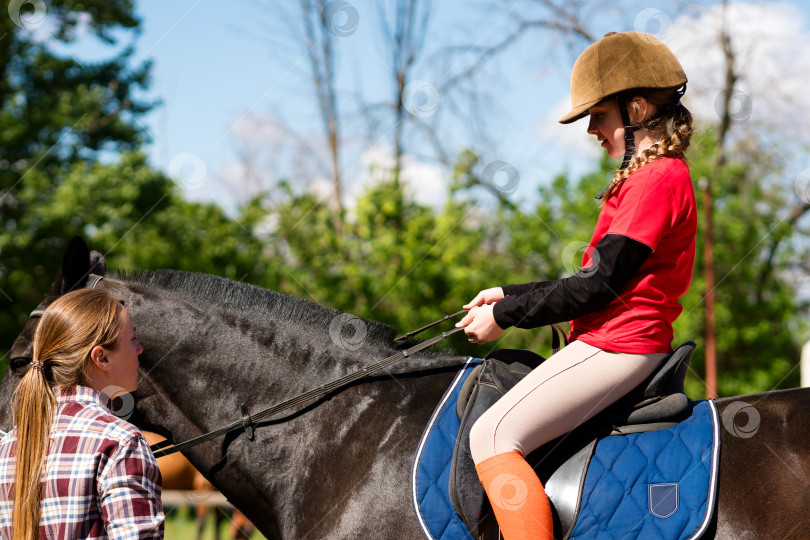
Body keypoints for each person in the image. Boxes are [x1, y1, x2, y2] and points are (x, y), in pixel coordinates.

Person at [456, 31, 696, 540]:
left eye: (599, 116)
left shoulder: (656, 179)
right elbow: (592, 277)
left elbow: (598, 287)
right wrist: (509, 293)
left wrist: (504, 318)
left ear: (635, 110)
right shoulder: (650, 176)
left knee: (492, 436)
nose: (591, 130)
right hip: (615, 340)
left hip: (619, 343)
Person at [0, 288, 164, 539]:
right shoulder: (121, 443)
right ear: (101, 358)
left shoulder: (8, 447)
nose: (140, 348)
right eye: (132, 338)